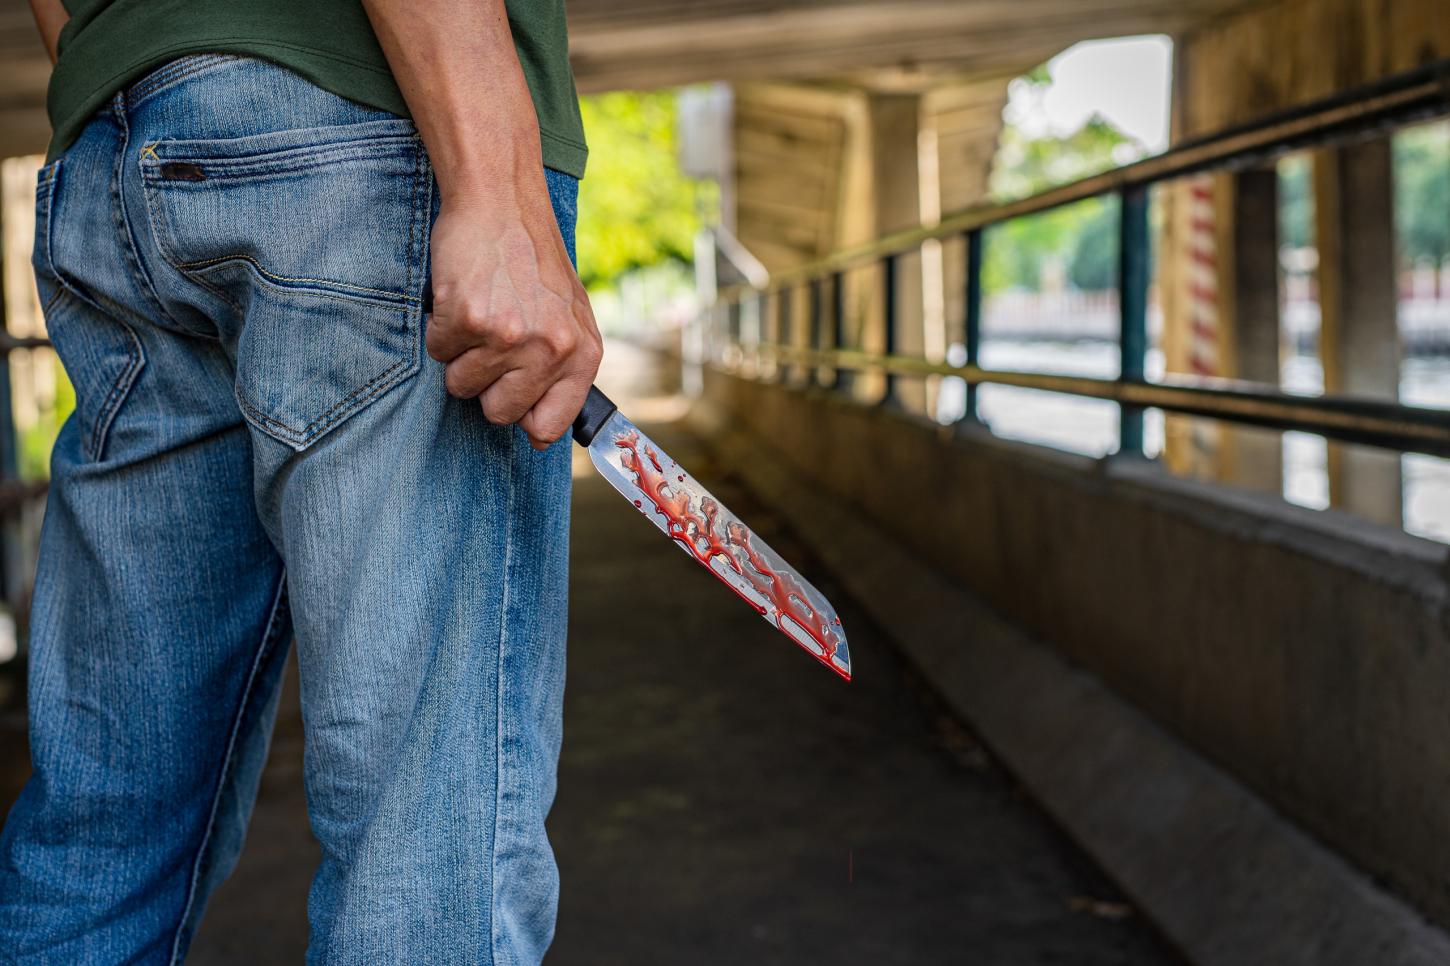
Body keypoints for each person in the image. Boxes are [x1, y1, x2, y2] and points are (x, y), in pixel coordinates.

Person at [0, 1, 602, 962]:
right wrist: (496, 189)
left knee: (104, 840)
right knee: (426, 854)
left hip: (119, 152)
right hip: (359, 134)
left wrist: (134, 55)